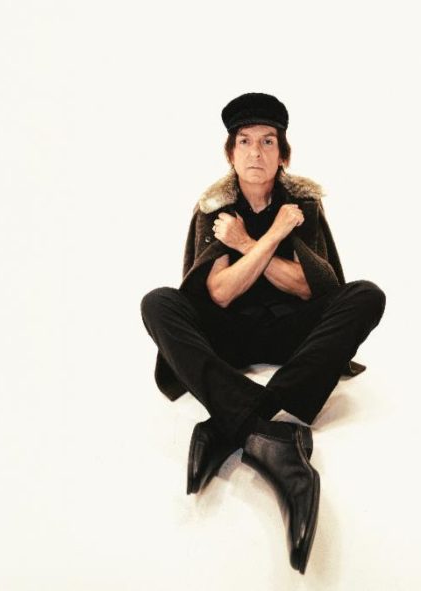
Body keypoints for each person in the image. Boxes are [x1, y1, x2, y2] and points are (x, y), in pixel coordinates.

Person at [140, 92, 385, 574]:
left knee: (366, 295)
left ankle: (233, 420)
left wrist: (248, 245)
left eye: (268, 141)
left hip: (291, 332)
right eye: (245, 141)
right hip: (228, 334)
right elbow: (220, 292)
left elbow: (308, 286)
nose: (256, 152)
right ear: (231, 153)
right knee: (158, 303)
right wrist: (271, 237)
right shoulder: (215, 208)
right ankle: (270, 432)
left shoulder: (302, 205)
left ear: (282, 153)